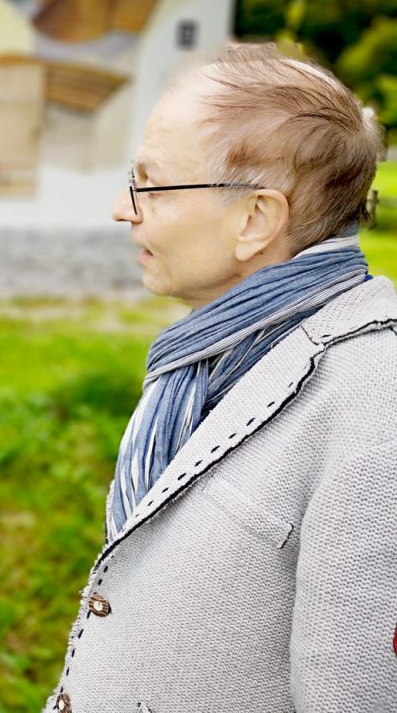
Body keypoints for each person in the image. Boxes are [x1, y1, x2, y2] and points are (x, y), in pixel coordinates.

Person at [43, 43, 397, 713]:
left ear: (255, 220)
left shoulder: (378, 408)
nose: (124, 209)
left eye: (150, 184)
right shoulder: (211, 356)